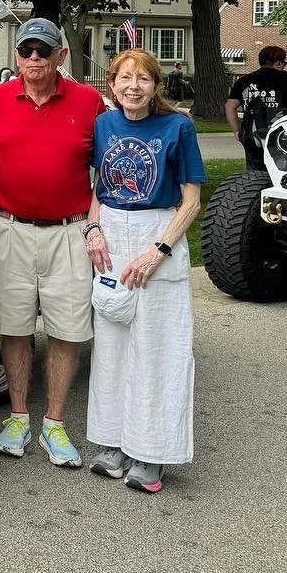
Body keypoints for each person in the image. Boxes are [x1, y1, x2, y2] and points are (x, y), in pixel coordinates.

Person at [0, 17, 105, 468]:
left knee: (68, 329)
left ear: (60, 56)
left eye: (43, 51)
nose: (33, 59)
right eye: (26, 51)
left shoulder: (88, 101)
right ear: (16, 55)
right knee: (13, 327)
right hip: (9, 229)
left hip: (69, 231)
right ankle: (18, 417)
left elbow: (113, 163)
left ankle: (55, 422)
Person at [85, 49, 205, 493]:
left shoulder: (178, 127)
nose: (133, 86)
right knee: (111, 347)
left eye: (143, 79)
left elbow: (191, 201)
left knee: (158, 350)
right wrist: (93, 229)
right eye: (125, 78)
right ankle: (114, 442)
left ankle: (152, 452)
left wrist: (158, 251)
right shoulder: (104, 125)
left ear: (156, 87)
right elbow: (98, 186)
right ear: (112, 84)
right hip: (112, 236)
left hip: (159, 233)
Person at [225, 46, 287, 170]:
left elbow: (230, 107)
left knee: (254, 171)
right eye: (284, 63)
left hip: (251, 133)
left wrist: (237, 130)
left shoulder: (244, 81)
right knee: (284, 169)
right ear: (278, 63)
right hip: (282, 134)